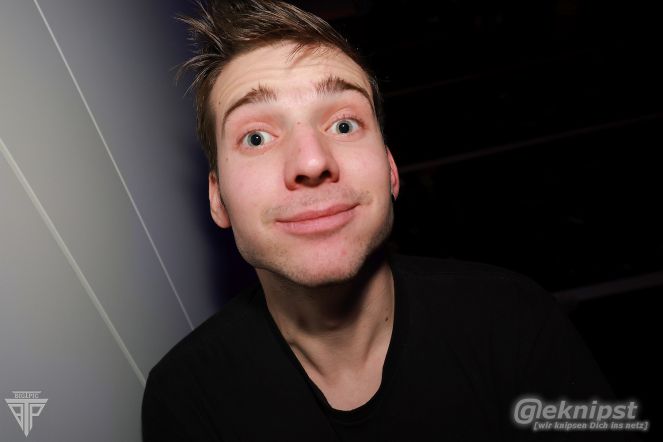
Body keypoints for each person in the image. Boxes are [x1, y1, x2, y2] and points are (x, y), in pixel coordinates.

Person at [142, 1, 639, 441]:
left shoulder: (513, 320)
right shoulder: (187, 397)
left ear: (391, 170)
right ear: (218, 198)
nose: (312, 161)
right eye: (256, 138)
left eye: (343, 124)